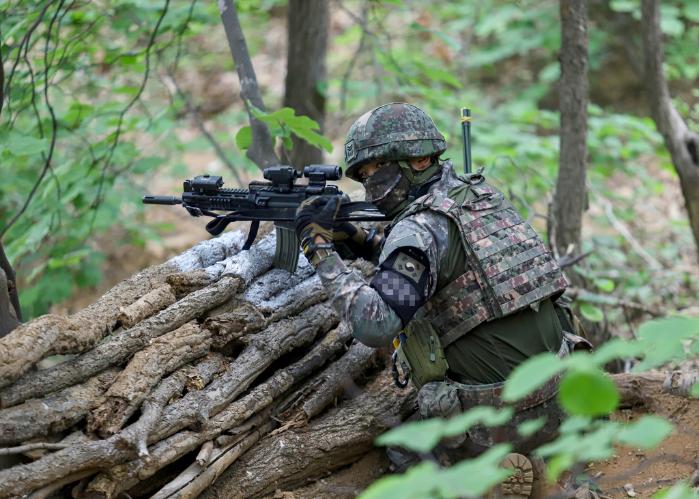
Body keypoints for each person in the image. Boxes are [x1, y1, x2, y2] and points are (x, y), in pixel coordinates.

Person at [295, 103, 585, 498]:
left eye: (374, 171)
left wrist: (320, 251)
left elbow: (374, 325)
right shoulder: (479, 196)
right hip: (563, 394)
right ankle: (536, 460)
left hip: (502, 415)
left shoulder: (419, 228)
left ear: (415, 160)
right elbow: (436, 266)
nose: (369, 187)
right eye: (362, 177)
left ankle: (484, 475)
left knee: (403, 448)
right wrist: (361, 240)